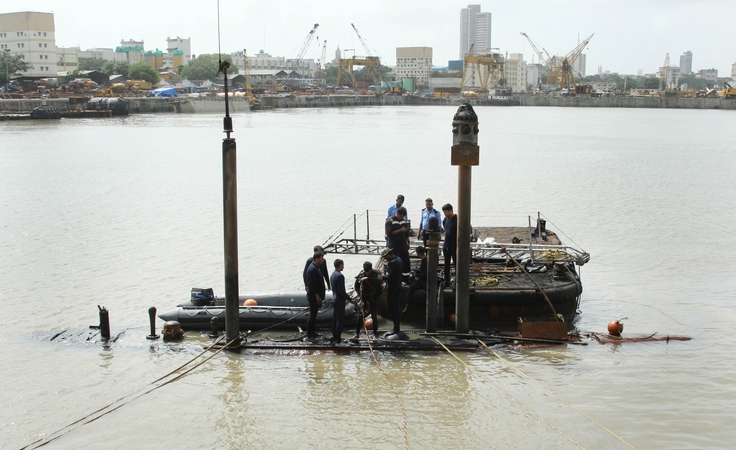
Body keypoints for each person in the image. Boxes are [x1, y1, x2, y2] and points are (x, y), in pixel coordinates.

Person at [353, 261, 381, 338]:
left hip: (373, 296)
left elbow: (380, 280)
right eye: (366, 271)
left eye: (368, 271)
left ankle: (375, 334)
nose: (366, 273)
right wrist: (359, 294)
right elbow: (356, 285)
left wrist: (368, 278)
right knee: (360, 316)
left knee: (374, 315)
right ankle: (357, 334)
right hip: (364, 297)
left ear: (371, 270)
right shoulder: (361, 274)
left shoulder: (376, 273)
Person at [381, 248, 404, 335]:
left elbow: (390, 276)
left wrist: (383, 276)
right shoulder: (399, 259)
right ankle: (396, 326)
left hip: (393, 288)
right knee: (396, 307)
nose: (385, 258)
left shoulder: (392, 263)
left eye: (385, 256)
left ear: (388, 254)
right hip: (398, 285)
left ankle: (396, 328)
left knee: (393, 308)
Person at [305, 252, 327, 340]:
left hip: (316, 295)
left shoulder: (316, 267)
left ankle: (312, 332)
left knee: (314, 315)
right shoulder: (312, 269)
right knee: (312, 315)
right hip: (313, 296)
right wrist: (317, 297)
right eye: (321, 258)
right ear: (317, 259)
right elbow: (312, 285)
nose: (323, 260)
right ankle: (310, 334)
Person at [385, 206, 411, 275]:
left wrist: (408, 242)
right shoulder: (390, 221)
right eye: (401, 216)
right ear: (397, 214)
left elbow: (406, 233)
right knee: (395, 262)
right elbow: (390, 233)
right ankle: (394, 276)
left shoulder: (403, 220)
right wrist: (400, 230)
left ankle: (405, 277)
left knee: (406, 261)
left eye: (403, 216)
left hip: (403, 244)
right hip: (394, 245)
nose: (402, 217)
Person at [329, 259, 350, 344]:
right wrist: (350, 299)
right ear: (340, 265)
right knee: (340, 320)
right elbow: (342, 291)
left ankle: (334, 336)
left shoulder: (333, 275)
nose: (343, 266)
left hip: (334, 299)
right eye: (343, 265)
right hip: (339, 300)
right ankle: (338, 338)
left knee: (335, 319)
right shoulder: (340, 276)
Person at [404, 246, 427, 313]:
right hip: (423, 279)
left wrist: (416, 275)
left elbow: (424, 274)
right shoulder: (425, 261)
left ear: (418, 253)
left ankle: (408, 305)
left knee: (411, 287)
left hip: (424, 281)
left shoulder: (425, 262)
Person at [442, 203, 457, 286]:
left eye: (446, 212)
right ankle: (446, 280)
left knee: (456, 263)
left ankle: (458, 279)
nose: (445, 214)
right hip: (446, 245)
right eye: (444, 212)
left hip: (454, 245)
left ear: (450, 210)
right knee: (446, 263)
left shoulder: (457, 219)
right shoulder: (445, 220)